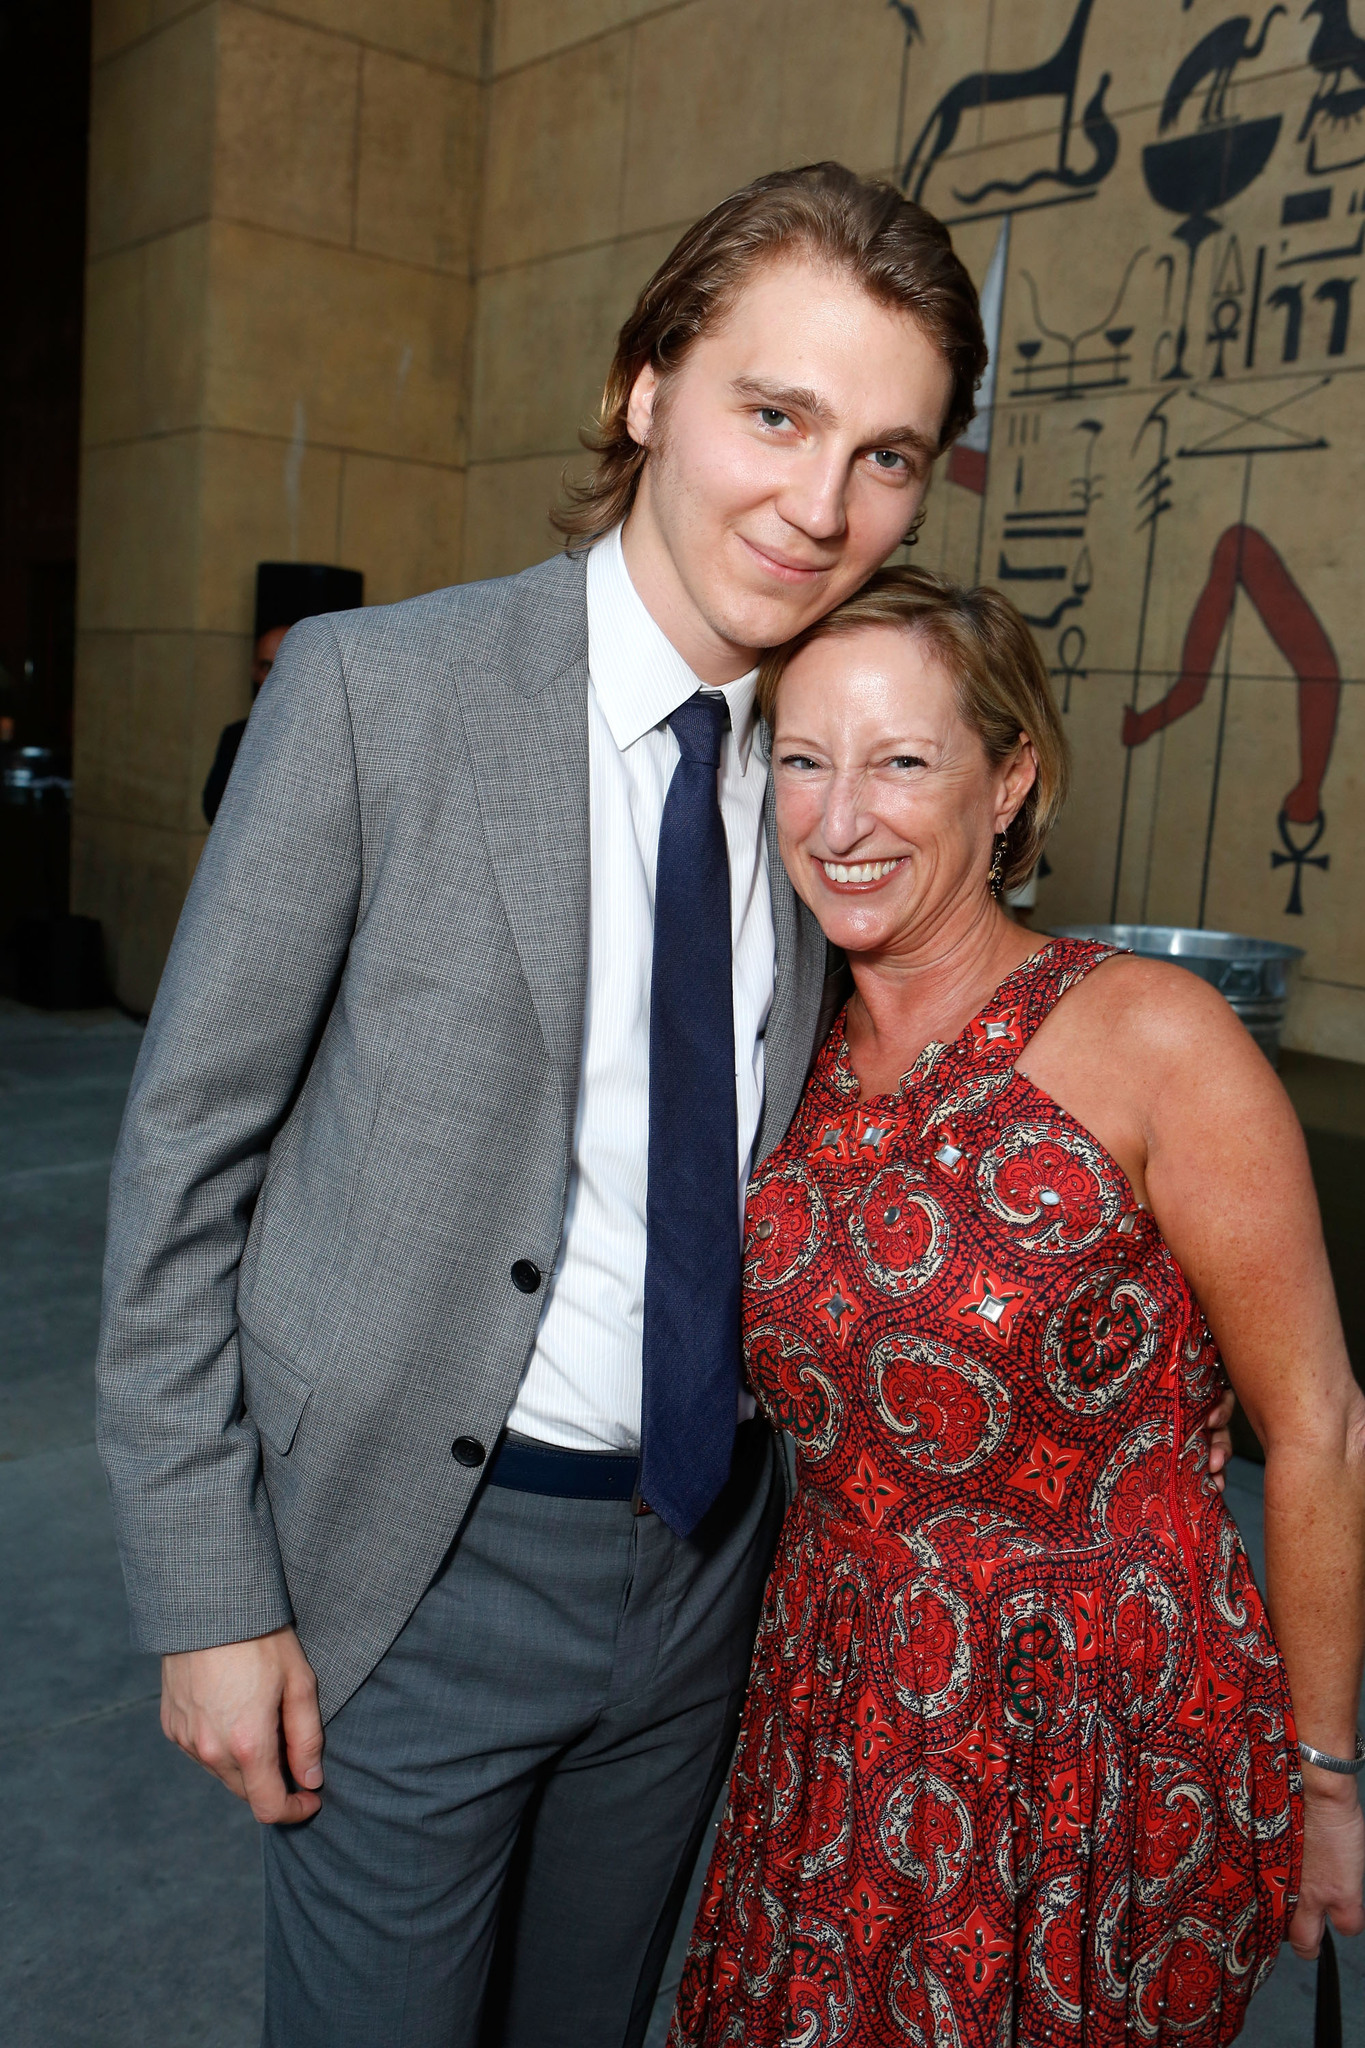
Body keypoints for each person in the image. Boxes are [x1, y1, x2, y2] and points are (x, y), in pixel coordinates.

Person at [95, 163, 1231, 2046]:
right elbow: (180, 1163)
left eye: (888, 453)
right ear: (644, 389)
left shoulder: (826, 770)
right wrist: (209, 1592)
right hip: (411, 1565)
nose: (819, 503)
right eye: (774, 414)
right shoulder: (382, 698)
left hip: (709, 1577)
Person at [670, 568, 1365, 2047]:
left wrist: (1324, 1775)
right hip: (837, 1705)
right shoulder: (779, 1044)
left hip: (1096, 1739)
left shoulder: (1147, 1040)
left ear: (1011, 785)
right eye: (803, 758)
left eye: (902, 761)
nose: (838, 817)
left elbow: (1317, 1429)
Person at [201, 563, 363, 824]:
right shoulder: (236, 736)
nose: (274, 677)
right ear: (254, 671)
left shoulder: (335, 741)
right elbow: (214, 809)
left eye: (282, 666)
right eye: (266, 666)